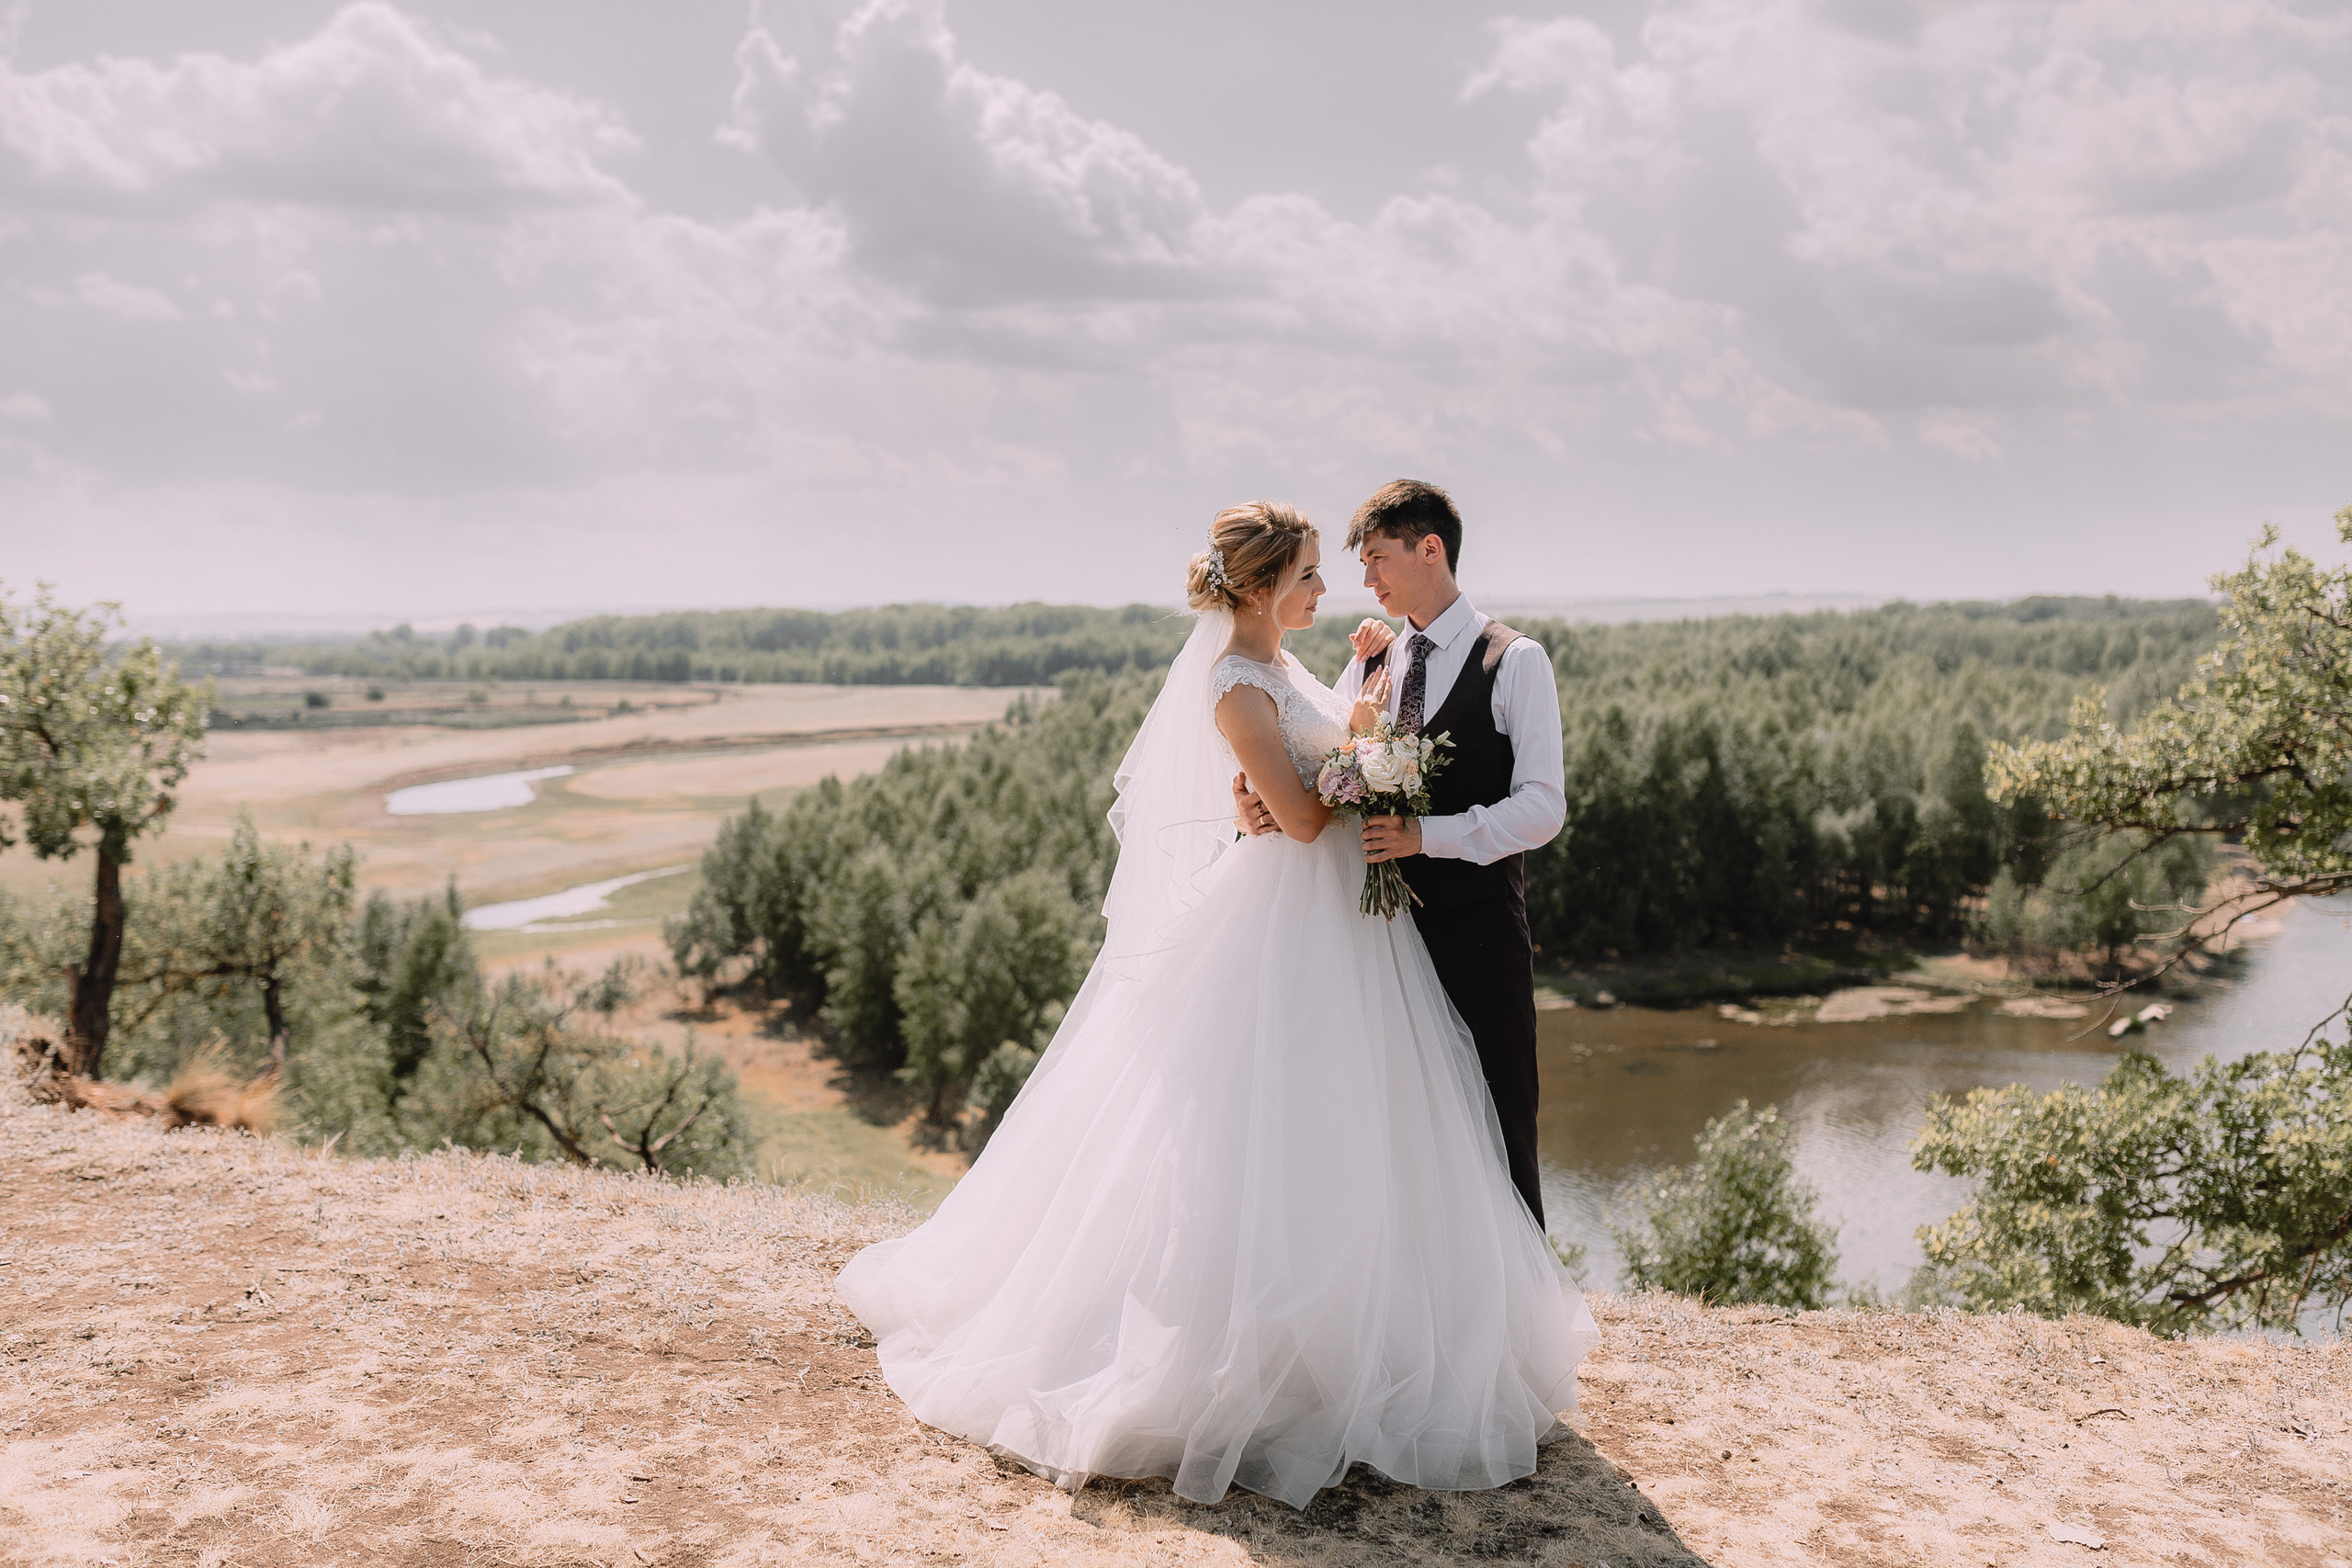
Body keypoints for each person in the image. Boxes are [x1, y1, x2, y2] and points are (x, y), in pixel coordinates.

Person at [835, 501, 1593, 1510]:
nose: (1337, 583)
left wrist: (1334, 752)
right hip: (1307, 918)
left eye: (1352, 562)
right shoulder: (1243, 679)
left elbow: (1348, 776)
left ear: (1431, 551)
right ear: (1267, 583)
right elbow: (1302, 805)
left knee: (1408, 1128)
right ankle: (1285, 1347)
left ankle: (1442, 1331)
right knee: (1282, 1126)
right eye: (1319, 572)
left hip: (1382, 924)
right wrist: (1309, 778)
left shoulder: (1420, 662)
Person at [1237, 479, 1562, 1227]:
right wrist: (1255, 802)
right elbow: (1329, 762)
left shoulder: (1515, 662)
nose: (1366, 579)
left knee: (1499, 1121)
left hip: (1475, 932)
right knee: (1398, 1138)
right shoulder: (1371, 662)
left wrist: (1429, 837)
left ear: (1430, 549)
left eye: (1378, 559)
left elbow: (1545, 807)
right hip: (1373, 944)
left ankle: (1518, 1328)